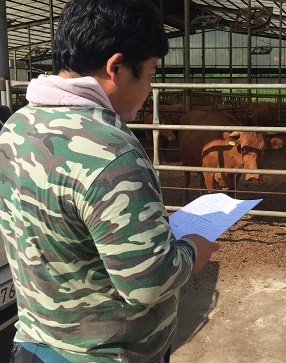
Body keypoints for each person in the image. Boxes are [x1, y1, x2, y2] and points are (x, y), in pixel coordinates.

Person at [0, 0, 219, 362]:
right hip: (104, 353)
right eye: (148, 73)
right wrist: (197, 247)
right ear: (116, 67)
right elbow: (149, 283)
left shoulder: (17, 125)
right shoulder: (110, 150)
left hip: (36, 342)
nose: (149, 87)